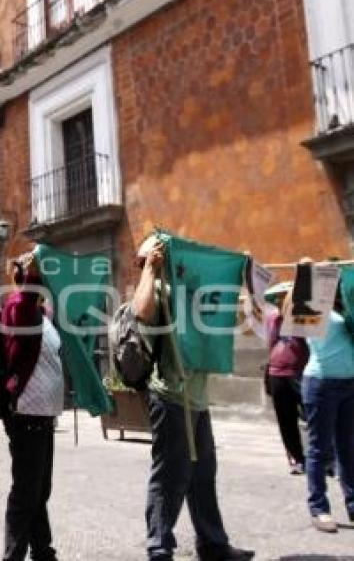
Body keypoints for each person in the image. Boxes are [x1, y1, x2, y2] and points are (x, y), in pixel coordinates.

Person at [132, 236, 253, 561]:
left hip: (196, 399)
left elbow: (220, 300)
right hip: (170, 396)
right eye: (153, 256)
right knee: (170, 475)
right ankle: (159, 547)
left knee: (202, 476)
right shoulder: (156, 291)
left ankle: (213, 545)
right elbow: (140, 312)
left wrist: (238, 268)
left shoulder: (187, 291)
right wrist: (151, 271)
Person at [0, 253, 63, 561]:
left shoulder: (44, 315)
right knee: (26, 491)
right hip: (26, 413)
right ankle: (13, 556)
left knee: (40, 489)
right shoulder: (14, 307)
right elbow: (24, 305)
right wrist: (30, 272)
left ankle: (42, 551)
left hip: (44, 414)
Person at [298, 288, 354, 533]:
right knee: (319, 449)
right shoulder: (312, 306)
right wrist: (305, 277)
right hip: (321, 384)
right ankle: (319, 509)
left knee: (349, 448)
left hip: (349, 384)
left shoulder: (346, 309)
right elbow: (295, 310)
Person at [265, 288, 308, 474]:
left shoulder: (305, 320)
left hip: (300, 372)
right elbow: (271, 342)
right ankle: (297, 459)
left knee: (312, 416)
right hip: (277, 373)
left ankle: (321, 458)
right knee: (286, 421)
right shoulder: (274, 319)